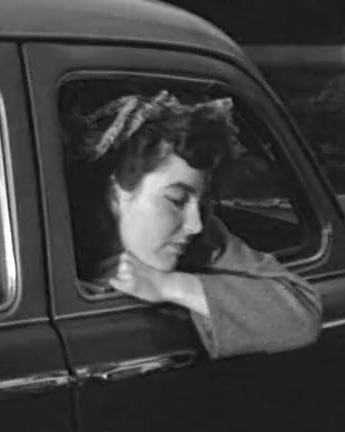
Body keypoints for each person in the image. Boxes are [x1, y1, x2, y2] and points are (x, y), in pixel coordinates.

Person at [65, 90, 322, 359]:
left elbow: (300, 317)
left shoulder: (204, 239)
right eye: (176, 200)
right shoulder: (52, 232)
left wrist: (169, 286)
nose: (195, 224)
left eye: (200, 204)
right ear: (120, 184)